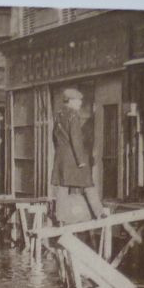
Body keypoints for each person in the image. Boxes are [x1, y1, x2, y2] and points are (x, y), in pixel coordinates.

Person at [52, 86, 97, 224]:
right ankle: (99, 212)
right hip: (73, 158)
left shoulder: (59, 115)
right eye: (78, 101)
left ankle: (60, 217)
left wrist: (60, 151)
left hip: (61, 157)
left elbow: (54, 137)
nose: (80, 103)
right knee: (88, 182)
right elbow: (76, 138)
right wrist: (81, 160)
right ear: (70, 101)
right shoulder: (73, 115)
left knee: (62, 186)